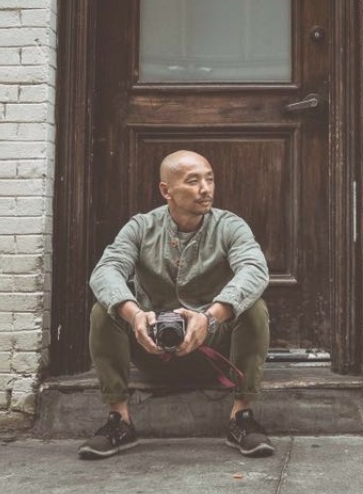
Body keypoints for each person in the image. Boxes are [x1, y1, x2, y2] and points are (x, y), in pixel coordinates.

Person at [78, 150, 273, 459]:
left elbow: (254, 270)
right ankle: (119, 420)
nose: (205, 189)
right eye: (193, 181)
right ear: (166, 190)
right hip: (151, 347)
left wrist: (209, 317)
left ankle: (242, 416)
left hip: (212, 350)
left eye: (210, 180)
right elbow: (106, 270)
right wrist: (135, 315)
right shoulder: (141, 227)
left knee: (254, 307)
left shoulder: (230, 226)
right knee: (104, 310)